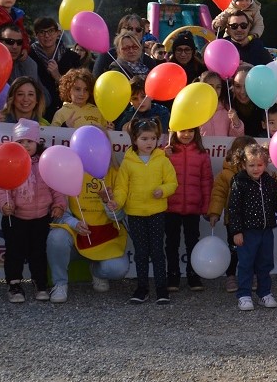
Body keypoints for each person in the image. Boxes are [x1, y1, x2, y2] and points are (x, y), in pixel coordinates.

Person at [0, 119, 66, 304]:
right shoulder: (9, 162)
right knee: (14, 252)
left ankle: (40, 283)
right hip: (15, 217)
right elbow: (1, 188)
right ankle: (14, 284)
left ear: (37, 142)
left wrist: (59, 205)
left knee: (38, 252)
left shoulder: (45, 163)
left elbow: (56, 186)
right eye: (20, 142)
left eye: (29, 141)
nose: (25, 145)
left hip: (41, 217)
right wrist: (4, 205)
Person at [108, 117, 177, 305]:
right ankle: (142, 288)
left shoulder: (162, 160)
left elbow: (172, 182)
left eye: (153, 138)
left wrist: (162, 190)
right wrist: (117, 202)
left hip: (157, 212)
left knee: (157, 251)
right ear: (135, 140)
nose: (149, 142)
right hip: (135, 213)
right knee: (140, 252)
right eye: (144, 139)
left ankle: (162, 289)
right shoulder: (128, 162)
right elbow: (122, 187)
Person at [46, 167, 131, 304]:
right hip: (76, 237)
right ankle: (60, 284)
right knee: (56, 238)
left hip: (105, 238)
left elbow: (120, 217)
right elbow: (60, 214)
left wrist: (107, 203)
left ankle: (96, 270)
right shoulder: (69, 171)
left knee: (118, 269)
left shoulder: (115, 173)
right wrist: (75, 224)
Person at [227, 143, 277, 311]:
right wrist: (236, 231)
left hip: (266, 231)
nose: (256, 169)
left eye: (259, 165)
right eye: (251, 165)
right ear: (243, 165)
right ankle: (244, 295)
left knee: (265, 263)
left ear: (265, 164)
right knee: (246, 264)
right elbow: (233, 209)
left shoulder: (269, 181)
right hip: (247, 233)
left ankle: (264, 293)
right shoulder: (238, 182)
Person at [164, 127, 213, 292]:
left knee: (193, 243)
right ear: (174, 132)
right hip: (170, 207)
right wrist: (163, 157)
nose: (186, 135)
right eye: (182, 131)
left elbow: (207, 182)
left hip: (193, 207)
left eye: (190, 131)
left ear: (196, 133)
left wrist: (206, 206)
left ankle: (193, 275)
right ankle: (172, 275)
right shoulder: (166, 152)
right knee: (171, 244)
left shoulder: (202, 154)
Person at [207, 136, 257, 293]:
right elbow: (218, 194)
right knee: (234, 249)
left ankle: (252, 275)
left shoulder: (258, 172)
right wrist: (214, 212)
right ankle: (230, 276)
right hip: (233, 221)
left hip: (254, 220)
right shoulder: (225, 174)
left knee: (253, 249)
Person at [29, 17, 80, 121]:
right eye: (42, 32)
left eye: (51, 31)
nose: (47, 36)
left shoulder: (72, 57)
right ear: (36, 35)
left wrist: (58, 76)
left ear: (58, 33)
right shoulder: (29, 55)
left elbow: (79, 87)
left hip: (65, 113)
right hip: (36, 112)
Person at [198, 71, 243, 137]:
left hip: (223, 147)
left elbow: (236, 138)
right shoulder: (196, 109)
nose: (215, 90)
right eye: (211, 86)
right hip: (202, 147)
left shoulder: (228, 110)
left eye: (218, 87)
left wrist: (236, 123)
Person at [230, 64, 262, 136]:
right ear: (233, 87)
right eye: (238, 86)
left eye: (247, 86)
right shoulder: (227, 105)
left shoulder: (264, 106)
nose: (242, 91)